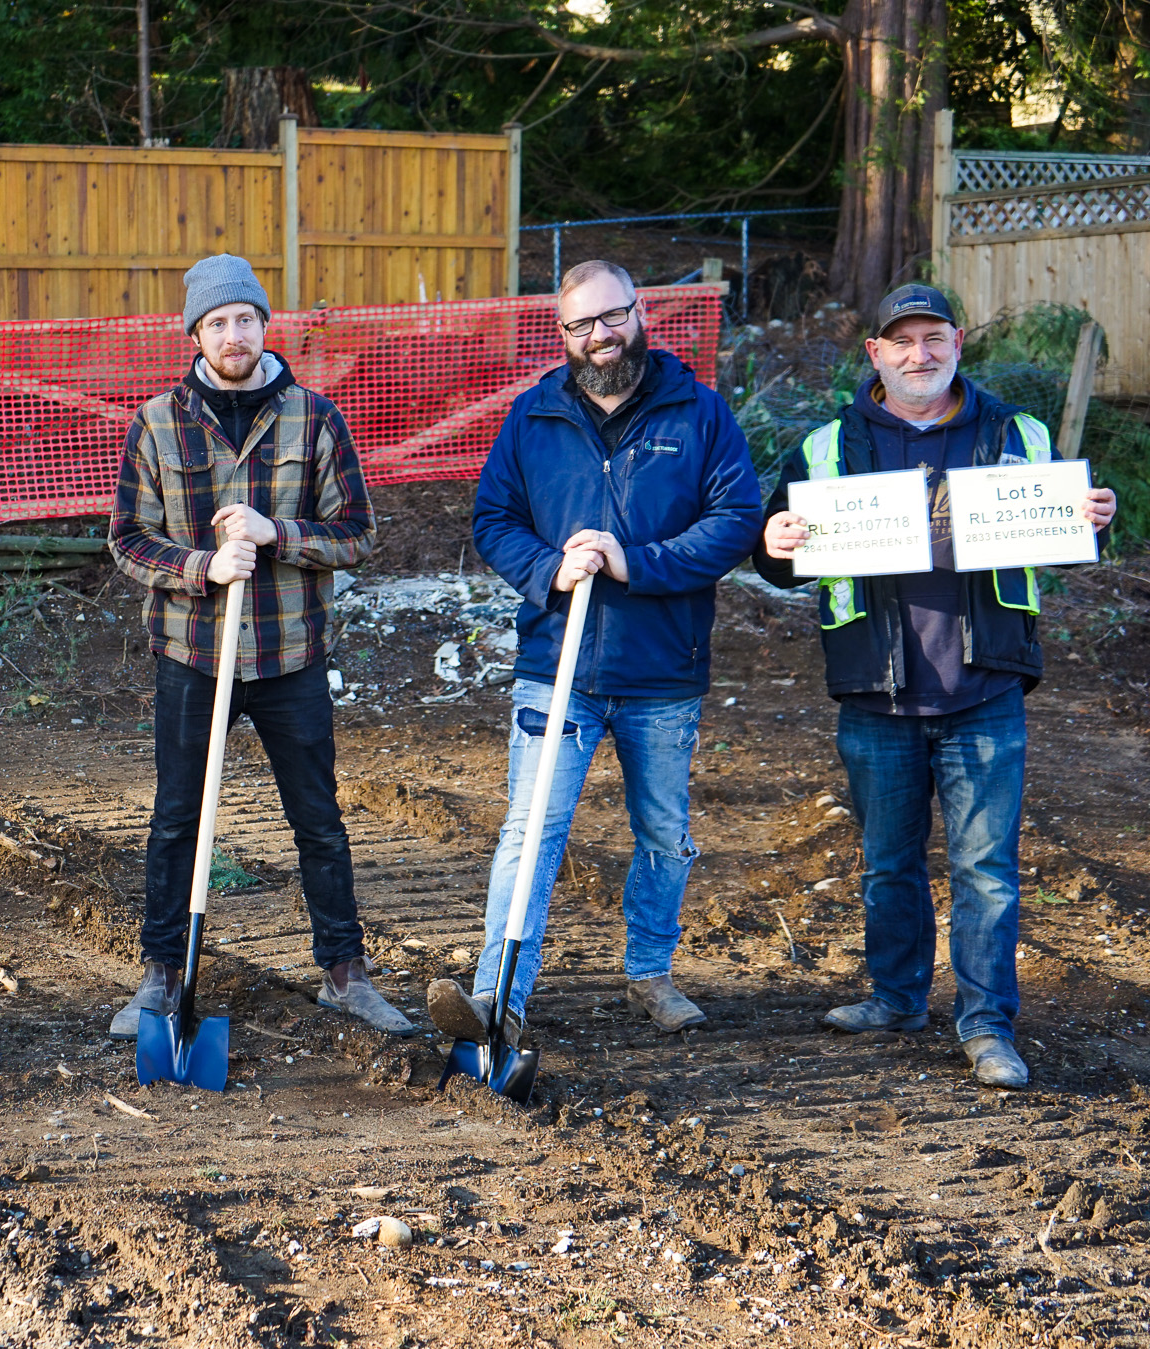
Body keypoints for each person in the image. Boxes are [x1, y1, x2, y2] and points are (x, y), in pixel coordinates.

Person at [754, 283, 1116, 1090]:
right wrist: (773, 542)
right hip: (876, 692)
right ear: (875, 354)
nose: (920, 355)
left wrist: (1094, 516)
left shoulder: (1012, 432)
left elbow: (1059, 535)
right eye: (902, 342)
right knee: (888, 863)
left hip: (983, 686)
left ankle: (987, 1024)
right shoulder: (828, 445)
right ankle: (896, 997)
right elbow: (779, 556)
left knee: (986, 869)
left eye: (934, 339)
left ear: (958, 342)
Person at [427, 260, 763, 1047]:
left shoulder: (698, 413)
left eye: (612, 317)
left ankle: (650, 971)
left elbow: (735, 519)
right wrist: (550, 568)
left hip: (662, 669)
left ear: (640, 313)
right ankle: (498, 995)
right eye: (581, 325)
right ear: (563, 333)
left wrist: (633, 562)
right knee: (530, 829)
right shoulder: (534, 417)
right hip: (558, 666)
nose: (600, 336)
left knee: (663, 834)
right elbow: (493, 519)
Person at [108, 253, 411, 1037]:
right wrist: (201, 565)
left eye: (245, 318)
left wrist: (280, 534)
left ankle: (346, 973)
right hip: (191, 656)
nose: (233, 334)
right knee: (177, 819)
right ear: (196, 334)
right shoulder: (156, 423)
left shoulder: (314, 417)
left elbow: (359, 534)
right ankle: (162, 975)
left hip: (289, 657)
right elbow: (128, 540)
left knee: (317, 818)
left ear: (265, 325)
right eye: (217, 323)